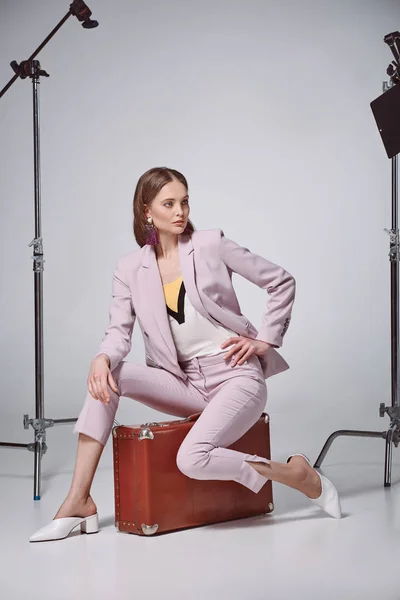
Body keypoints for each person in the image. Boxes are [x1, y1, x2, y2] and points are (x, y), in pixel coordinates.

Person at [29, 167, 341, 542]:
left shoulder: (210, 244)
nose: (181, 211)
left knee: (192, 457)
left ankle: (296, 475)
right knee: (109, 376)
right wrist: (101, 359)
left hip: (235, 376)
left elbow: (281, 281)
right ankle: (78, 500)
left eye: (185, 202)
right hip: (185, 382)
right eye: (169, 203)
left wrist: (266, 340)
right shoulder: (130, 268)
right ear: (147, 211)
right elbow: (118, 333)